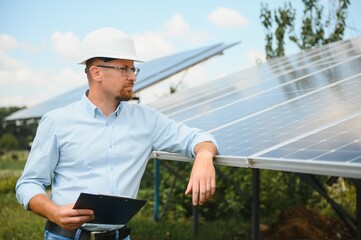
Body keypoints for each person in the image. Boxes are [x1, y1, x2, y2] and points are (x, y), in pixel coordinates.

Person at [15, 27, 218, 240]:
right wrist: (53, 212)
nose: (132, 77)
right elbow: (28, 183)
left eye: (133, 69)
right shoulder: (57, 121)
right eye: (124, 69)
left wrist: (204, 156)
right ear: (96, 72)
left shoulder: (147, 120)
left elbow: (198, 138)